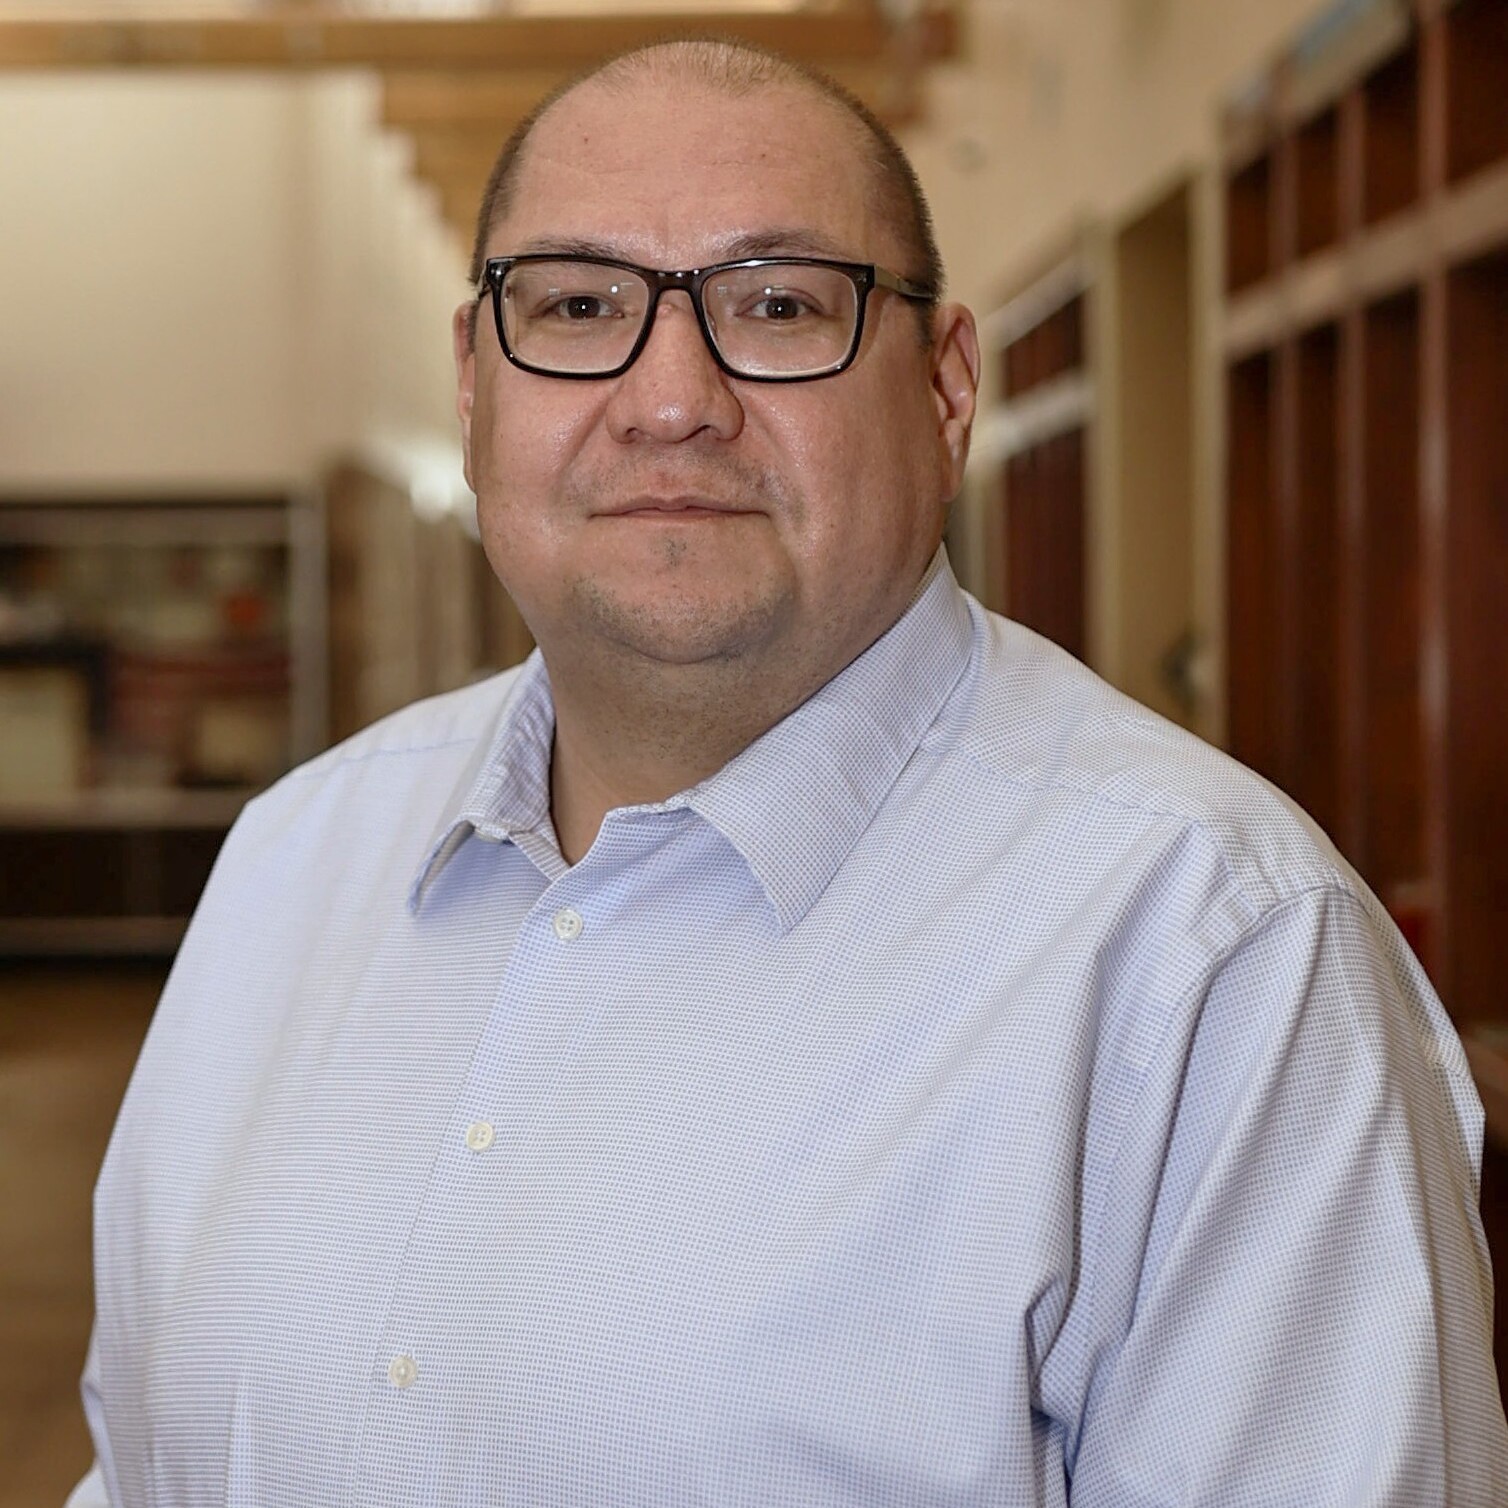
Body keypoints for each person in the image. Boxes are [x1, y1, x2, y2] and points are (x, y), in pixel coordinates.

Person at [70, 38, 1507, 1508]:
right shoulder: (295, 860)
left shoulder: (1215, 953)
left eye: (777, 305)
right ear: (474, 384)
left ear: (945, 392)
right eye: (576, 305)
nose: (669, 400)